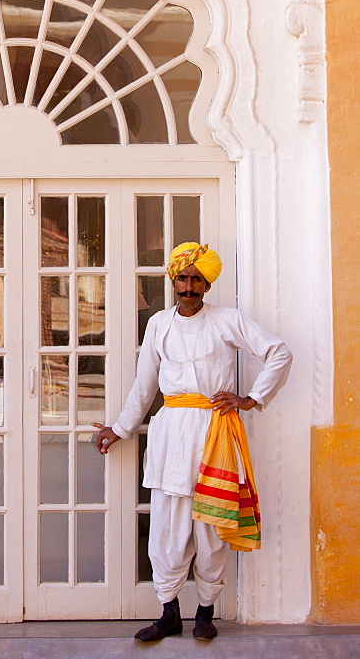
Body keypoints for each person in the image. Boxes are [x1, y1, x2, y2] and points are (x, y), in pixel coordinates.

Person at [94, 242, 292, 642]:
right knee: (168, 526)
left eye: (196, 279)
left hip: (215, 433)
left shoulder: (227, 320)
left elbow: (279, 352)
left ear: (207, 284)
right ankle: (169, 613)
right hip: (171, 435)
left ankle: (206, 613)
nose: (189, 286)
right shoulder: (158, 325)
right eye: (182, 278)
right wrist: (120, 428)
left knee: (211, 526)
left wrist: (250, 399)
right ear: (173, 280)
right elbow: (145, 383)